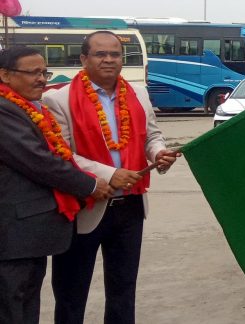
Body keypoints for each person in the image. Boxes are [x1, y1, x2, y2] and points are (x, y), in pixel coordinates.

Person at [43, 31, 182, 324]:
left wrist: (158, 153)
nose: (109, 60)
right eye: (100, 54)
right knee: (71, 292)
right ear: (83, 59)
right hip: (85, 207)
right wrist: (110, 174)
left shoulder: (138, 94)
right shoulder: (58, 99)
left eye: (115, 54)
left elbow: (152, 135)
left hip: (130, 206)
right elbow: (62, 154)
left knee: (123, 289)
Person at [0, 46, 112, 324]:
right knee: (12, 307)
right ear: (5, 75)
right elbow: (39, 161)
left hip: (27, 236)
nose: (41, 79)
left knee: (26, 304)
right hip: (12, 235)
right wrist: (89, 185)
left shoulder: (24, 107)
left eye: (43, 72)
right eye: (32, 72)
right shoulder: (4, 111)